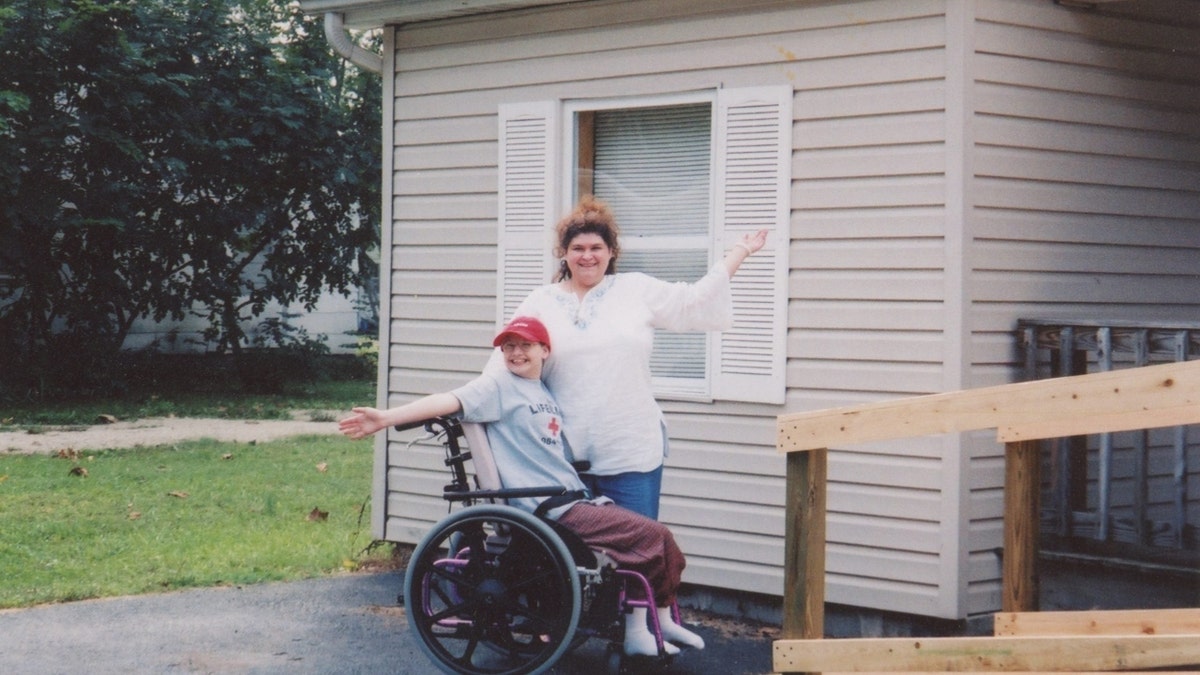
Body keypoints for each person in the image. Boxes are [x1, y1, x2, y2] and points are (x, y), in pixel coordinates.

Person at [339, 316, 705, 657]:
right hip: (548, 509)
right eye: (508, 347)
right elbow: (446, 400)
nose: (516, 353)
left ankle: (656, 625)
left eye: (525, 345)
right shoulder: (497, 385)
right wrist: (384, 418)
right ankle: (646, 631)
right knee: (653, 536)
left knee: (651, 543)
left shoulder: (542, 392)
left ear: (544, 351)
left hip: (571, 500)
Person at [489, 195, 767, 519]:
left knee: (636, 558)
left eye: (596, 248)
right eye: (578, 248)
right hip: (563, 459)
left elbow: (694, 301)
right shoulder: (540, 301)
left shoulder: (636, 289)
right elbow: (502, 365)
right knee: (571, 563)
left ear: (611, 252)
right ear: (564, 254)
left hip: (631, 454)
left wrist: (740, 252)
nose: (587, 256)